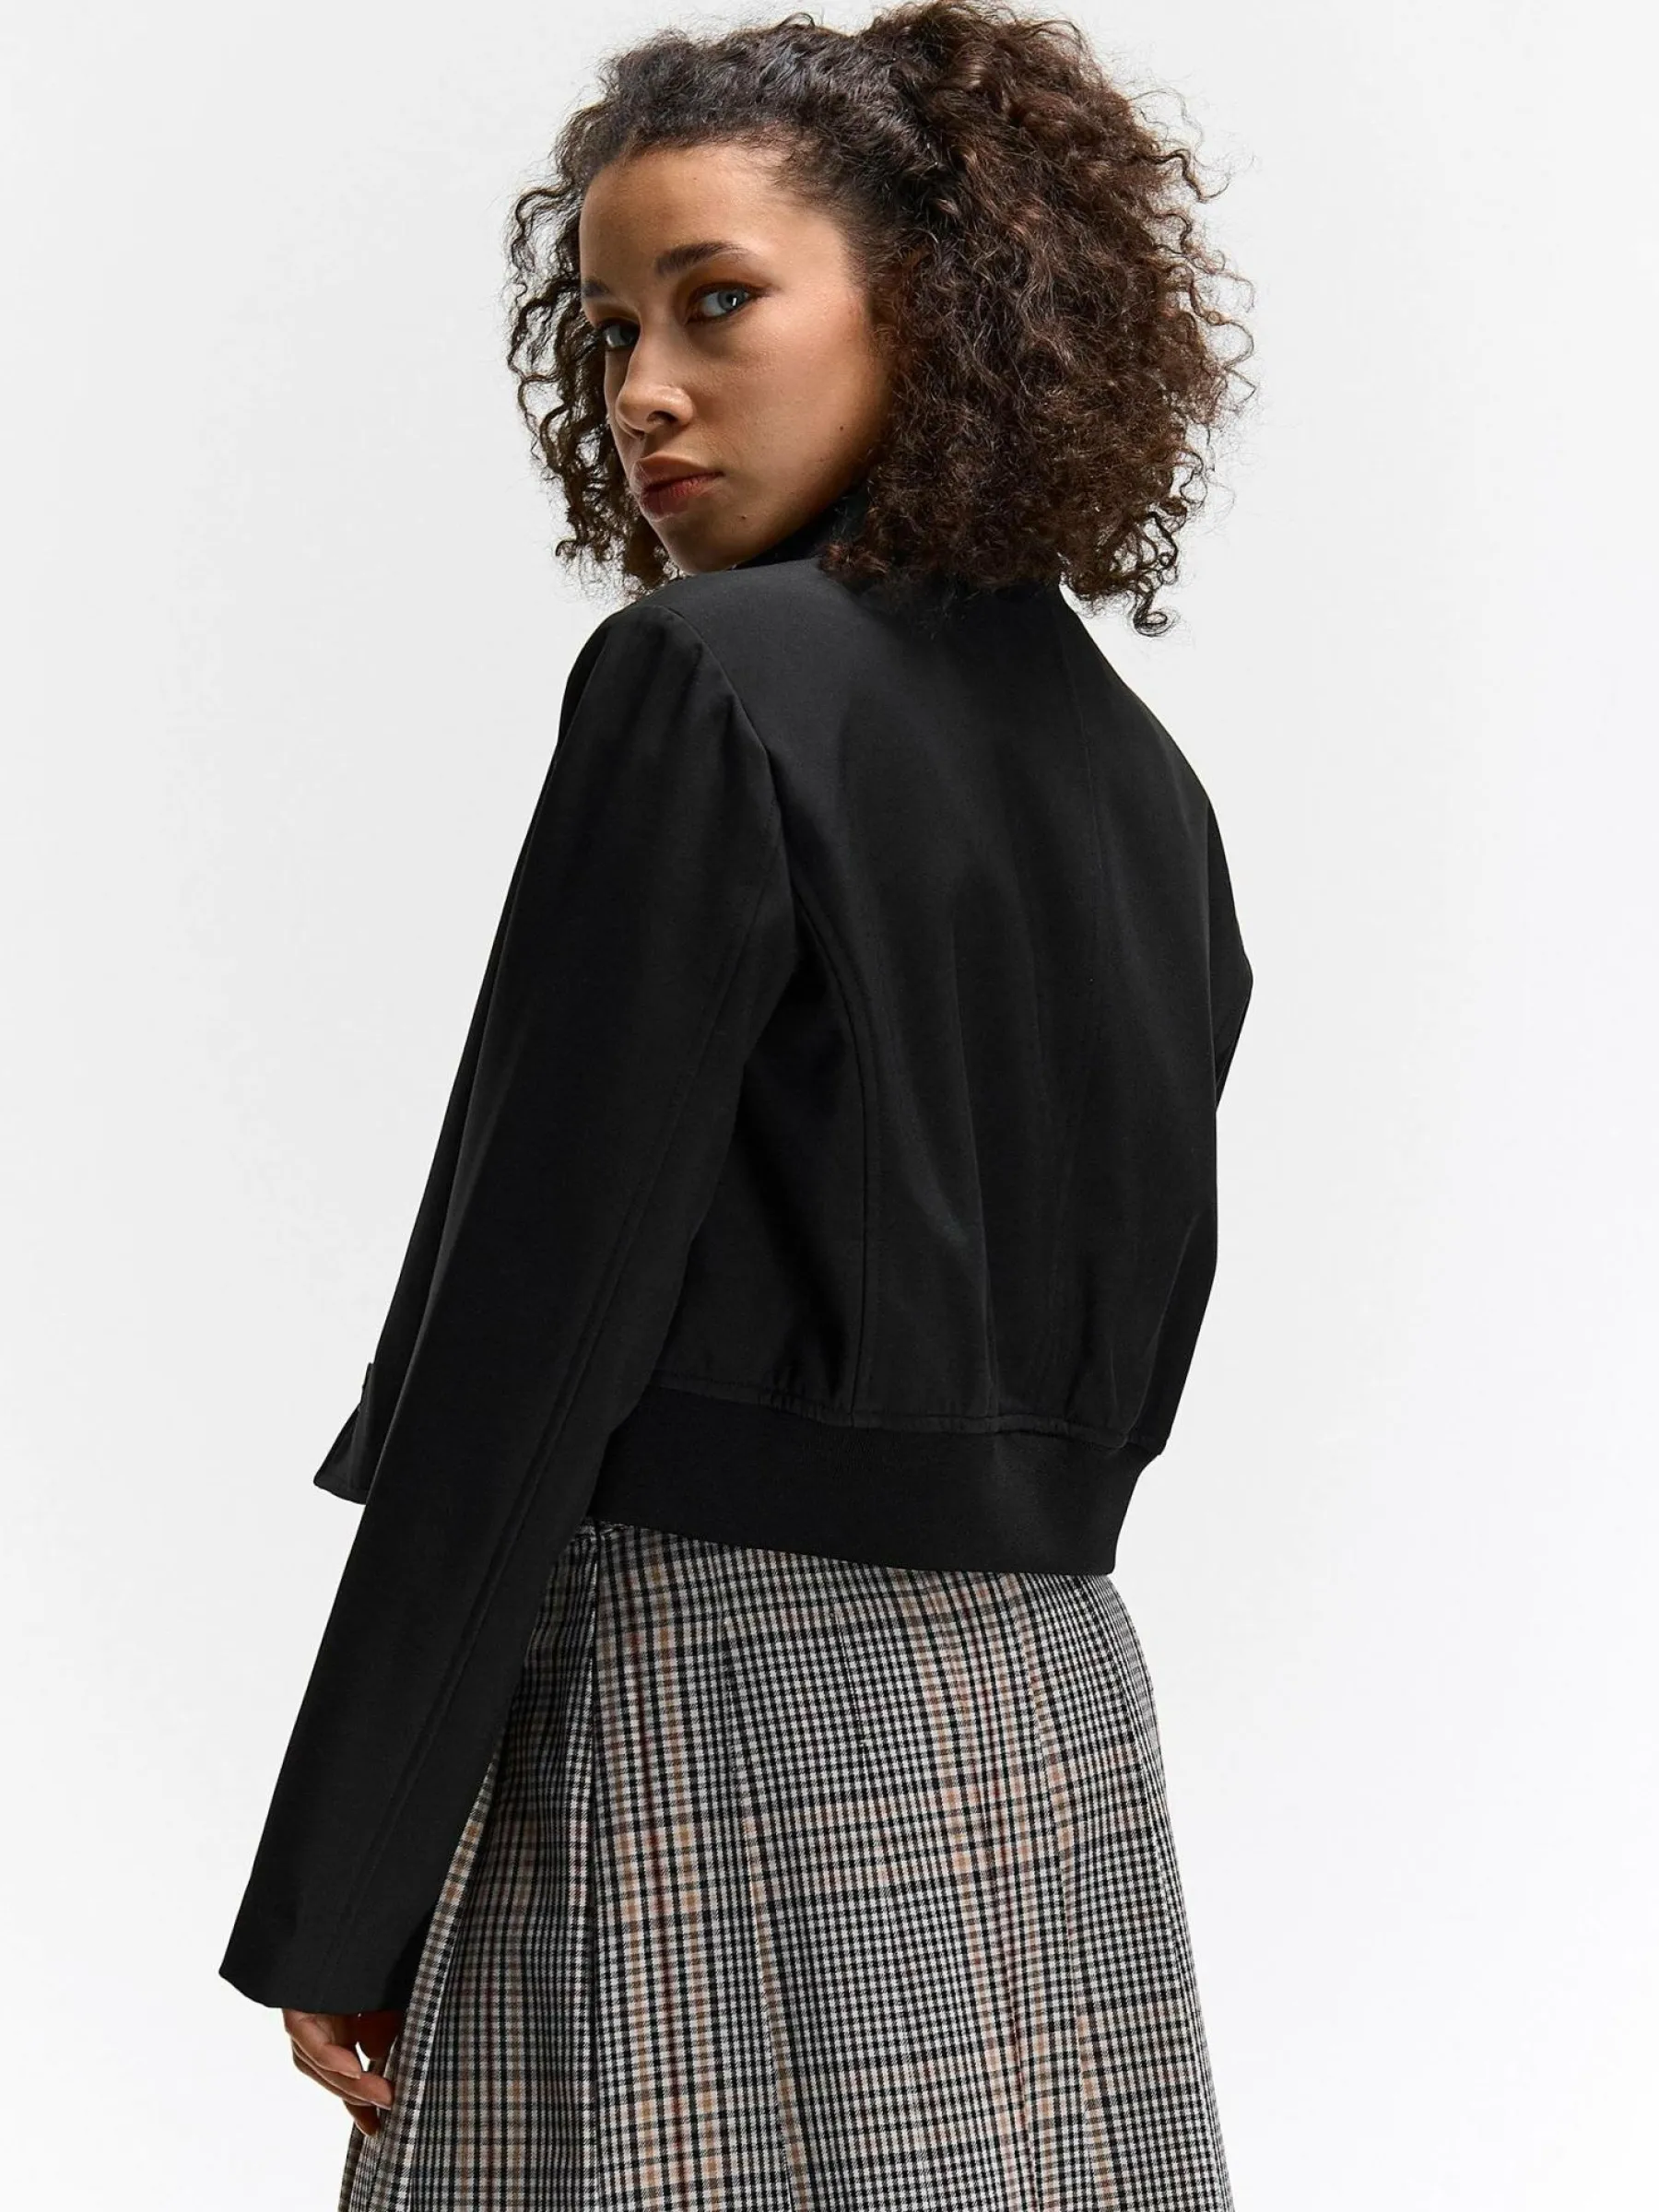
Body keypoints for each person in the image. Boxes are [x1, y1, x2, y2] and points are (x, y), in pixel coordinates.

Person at [221, 3, 1257, 2205]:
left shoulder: (703, 683)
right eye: (608, 332)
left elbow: (530, 1325)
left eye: (717, 303)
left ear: (933, 306)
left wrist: (341, 1884)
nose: (642, 393)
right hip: (1050, 1727)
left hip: (707, 1709)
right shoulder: (1144, 787)